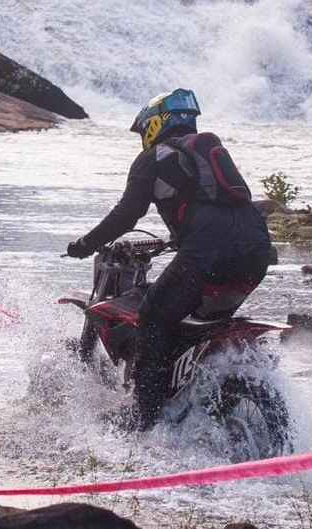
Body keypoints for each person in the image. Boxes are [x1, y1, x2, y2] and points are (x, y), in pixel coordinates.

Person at [67, 88, 271, 430]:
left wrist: (85, 244)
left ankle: (143, 414)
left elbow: (125, 215)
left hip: (206, 256)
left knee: (151, 318)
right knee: (193, 317)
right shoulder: (209, 153)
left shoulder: (152, 159)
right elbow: (219, 211)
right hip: (255, 253)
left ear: (156, 124)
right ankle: (193, 391)